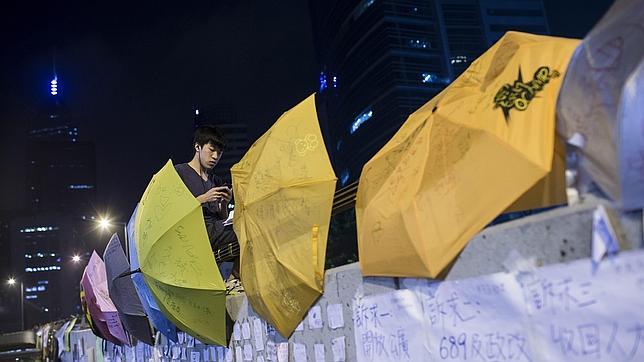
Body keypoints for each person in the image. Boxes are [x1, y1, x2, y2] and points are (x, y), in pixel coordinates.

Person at [175, 125, 241, 286]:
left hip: (216, 231)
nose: (215, 156)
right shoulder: (180, 173)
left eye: (219, 153)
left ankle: (237, 276)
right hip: (195, 233)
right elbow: (172, 211)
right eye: (211, 150)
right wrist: (202, 198)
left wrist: (225, 204)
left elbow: (223, 218)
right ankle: (236, 276)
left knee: (246, 224)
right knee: (244, 229)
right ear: (197, 146)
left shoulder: (215, 180)